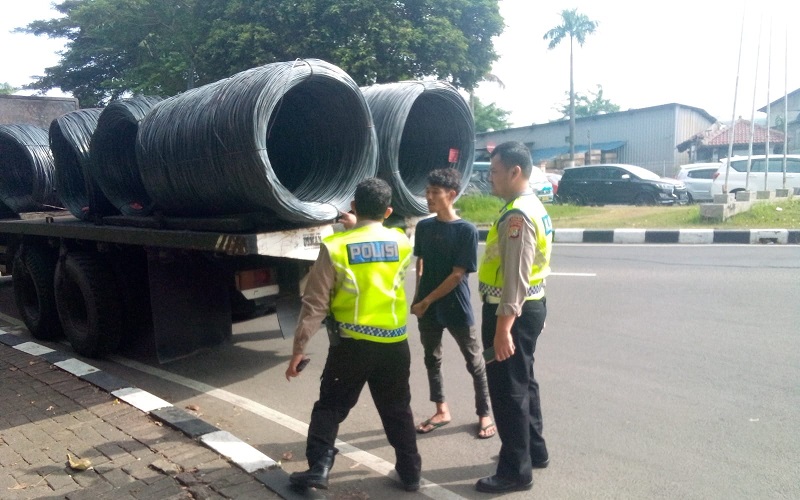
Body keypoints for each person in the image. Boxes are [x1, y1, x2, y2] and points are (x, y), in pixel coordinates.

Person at [285, 177, 422, 492]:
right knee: (397, 408)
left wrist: (298, 350)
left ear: (354, 207)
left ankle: (319, 467)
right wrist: (360, 227)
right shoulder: (402, 242)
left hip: (352, 346)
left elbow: (314, 304)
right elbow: (378, 253)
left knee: (330, 407)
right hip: (394, 344)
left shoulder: (336, 246)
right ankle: (411, 472)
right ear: (387, 211)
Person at [475, 141, 553, 494]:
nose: (490, 178)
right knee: (524, 382)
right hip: (529, 307)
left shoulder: (517, 215)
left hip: (510, 313)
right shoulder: (533, 206)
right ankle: (533, 451)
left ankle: (515, 471)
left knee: (508, 392)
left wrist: (503, 328)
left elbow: (515, 277)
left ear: (514, 172)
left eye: (493, 171)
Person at [410, 168, 494, 439]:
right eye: (428, 192)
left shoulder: (466, 230)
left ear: (452, 195)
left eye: (435, 193)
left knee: (474, 361)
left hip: (456, 306)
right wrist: (417, 298)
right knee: (431, 359)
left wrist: (427, 300)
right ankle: (441, 410)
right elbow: (420, 263)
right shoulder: (424, 226)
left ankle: (484, 414)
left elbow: (458, 274)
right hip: (427, 307)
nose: (429, 197)